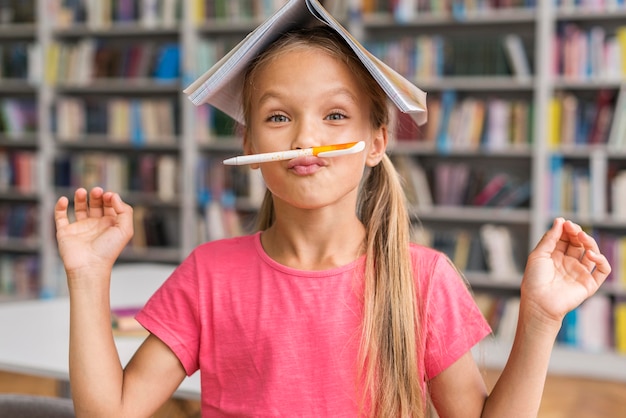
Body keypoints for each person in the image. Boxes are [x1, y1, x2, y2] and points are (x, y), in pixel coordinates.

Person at [54, 26, 611, 418]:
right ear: (248, 141)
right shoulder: (209, 274)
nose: (305, 138)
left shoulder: (424, 280)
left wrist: (539, 319)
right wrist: (88, 274)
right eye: (278, 117)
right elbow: (109, 410)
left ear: (375, 142)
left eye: (335, 115)